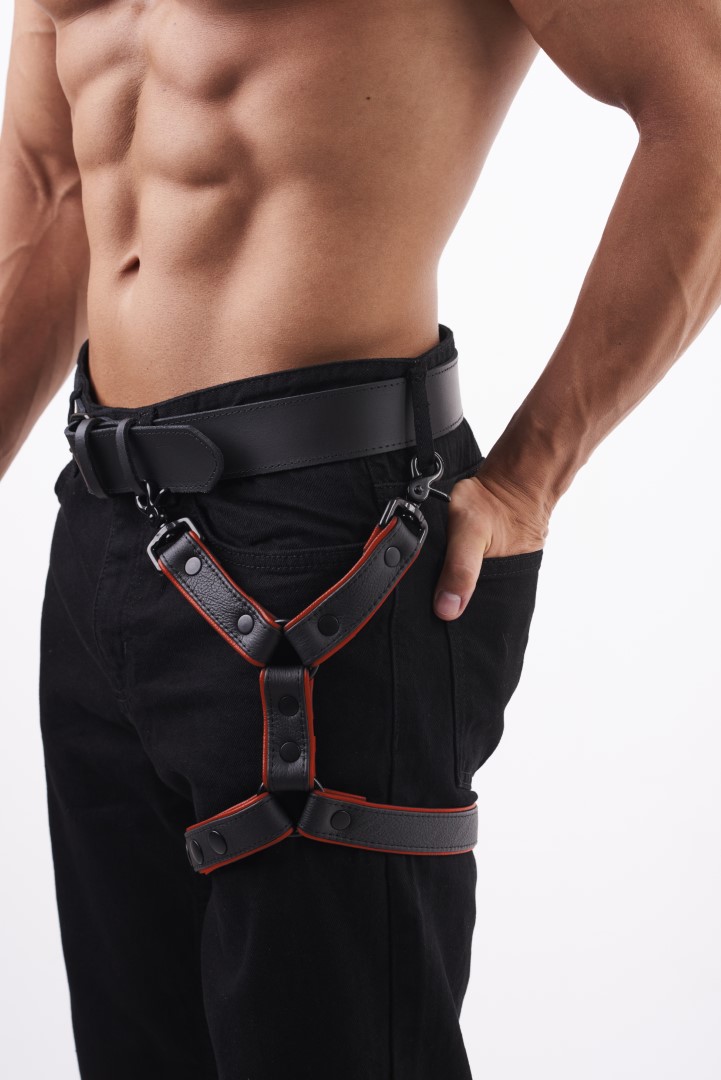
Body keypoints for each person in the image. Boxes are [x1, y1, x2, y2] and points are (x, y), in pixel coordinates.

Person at [1, 1, 720, 1077]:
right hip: (104, 534)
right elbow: (53, 186)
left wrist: (529, 475)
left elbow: (706, 102)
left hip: (329, 551)